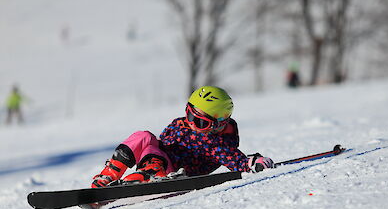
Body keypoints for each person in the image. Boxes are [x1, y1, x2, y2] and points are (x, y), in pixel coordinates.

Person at [91, 86, 274, 188]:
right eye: (190, 115)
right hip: (160, 160)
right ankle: (108, 176)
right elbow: (158, 144)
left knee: (157, 155)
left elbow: (234, 160)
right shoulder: (180, 124)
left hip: (177, 172)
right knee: (143, 136)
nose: (192, 124)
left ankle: (147, 175)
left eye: (201, 122)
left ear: (219, 124)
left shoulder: (216, 144)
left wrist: (254, 163)